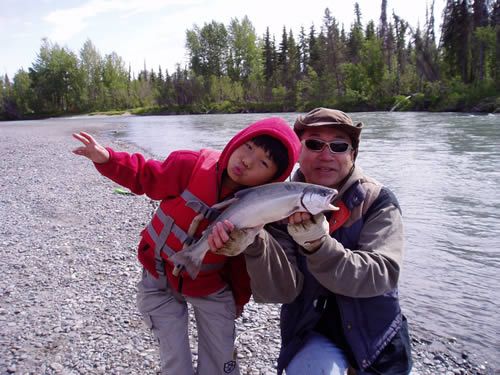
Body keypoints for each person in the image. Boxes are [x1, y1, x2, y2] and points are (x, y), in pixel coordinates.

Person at [71, 117, 301, 375]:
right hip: (158, 279)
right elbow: (145, 175)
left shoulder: (258, 215)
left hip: (209, 285)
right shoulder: (189, 165)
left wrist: (238, 300)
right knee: (175, 363)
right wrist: (107, 159)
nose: (247, 161)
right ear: (237, 141)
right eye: (248, 147)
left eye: (263, 162)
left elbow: (240, 267)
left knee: (221, 361)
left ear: (272, 179)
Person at [208, 108, 412, 375]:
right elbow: (280, 292)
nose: (326, 155)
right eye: (314, 144)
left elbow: (381, 275)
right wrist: (255, 242)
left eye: (338, 146)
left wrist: (318, 245)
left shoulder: (377, 202)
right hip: (310, 333)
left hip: (377, 341)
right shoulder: (276, 204)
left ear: (353, 154)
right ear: (299, 153)